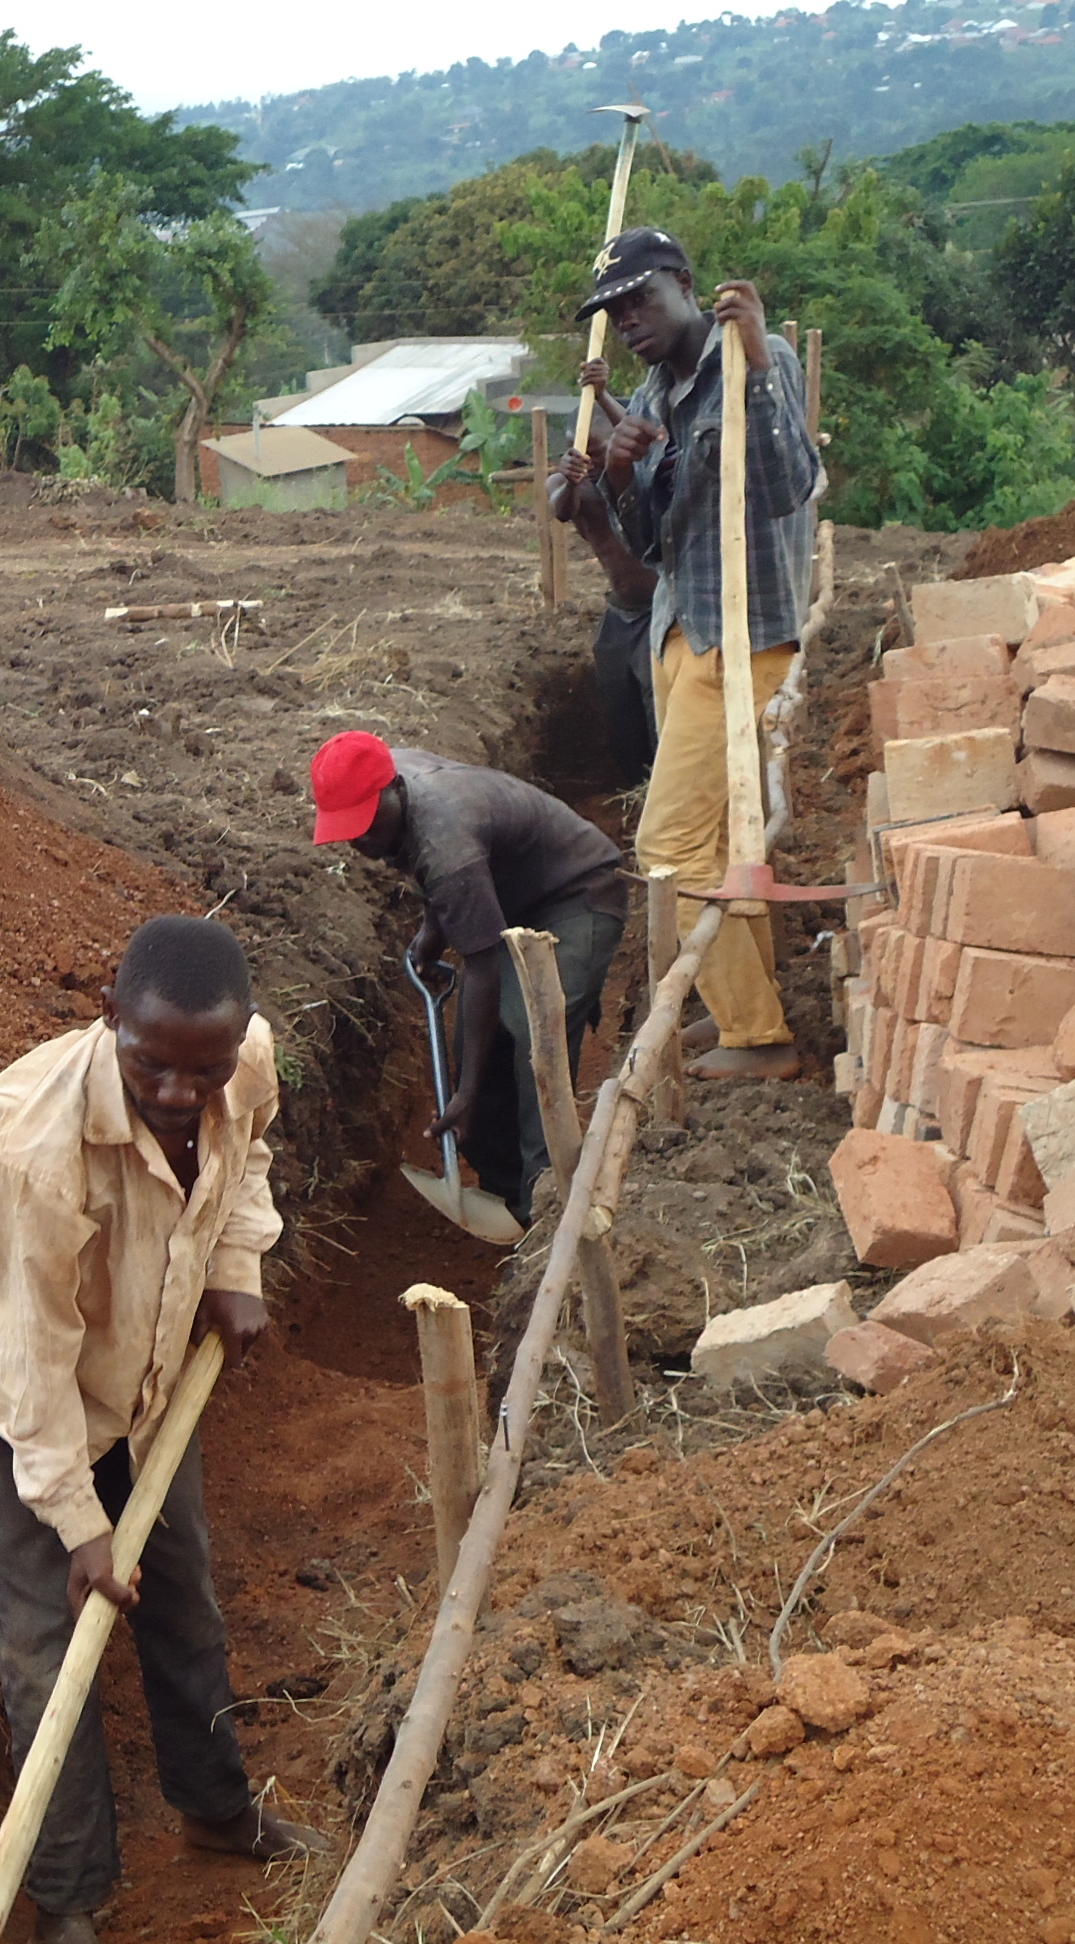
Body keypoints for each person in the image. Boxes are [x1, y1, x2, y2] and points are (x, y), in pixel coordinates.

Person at [0, 915, 325, 1944]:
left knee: (182, 1589)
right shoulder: (36, 1150)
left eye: (206, 1068)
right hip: (19, 1368)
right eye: (153, 1064)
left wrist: (237, 1266)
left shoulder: (245, 1063)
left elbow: (250, 1164)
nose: (179, 1092)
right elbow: (34, 1365)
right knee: (43, 1640)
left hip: (149, 1353)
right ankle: (69, 1899)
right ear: (109, 1022)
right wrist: (76, 1520)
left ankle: (219, 1813)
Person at [584, 226, 822, 1082]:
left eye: (641, 297)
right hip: (683, 633)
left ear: (686, 284)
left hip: (747, 636)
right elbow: (652, 545)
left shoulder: (759, 357)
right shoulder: (653, 393)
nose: (629, 320)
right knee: (724, 845)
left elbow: (788, 482)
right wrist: (620, 476)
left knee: (669, 847)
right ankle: (741, 1011)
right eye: (614, 311)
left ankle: (757, 1038)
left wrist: (756, 362)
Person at [309, 732, 627, 1226]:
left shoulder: (445, 838)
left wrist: (466, 1093)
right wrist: (432, 931)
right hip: (512, 894)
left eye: (366, 823)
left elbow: (481, 960)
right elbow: (446, 881)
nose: (359, 839)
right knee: (481, 1038)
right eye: (346, 827)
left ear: (393, 788)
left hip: (578, 891)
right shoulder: (396, 785)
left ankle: (548, 1203)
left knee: (532, 1034)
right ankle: (505, 1188)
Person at [549, 365, 659, 782]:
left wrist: (604, 393)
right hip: (621, 611)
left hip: (662, 608)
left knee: (658, 699)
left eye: (601, 453)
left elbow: (658, 438)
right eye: (586, 455)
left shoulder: (645, 474)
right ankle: (634, 784)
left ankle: (664, 786)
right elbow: (561, 509)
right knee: (617, 698)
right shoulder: (571, 486)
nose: (596, 463)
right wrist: (573, 480)